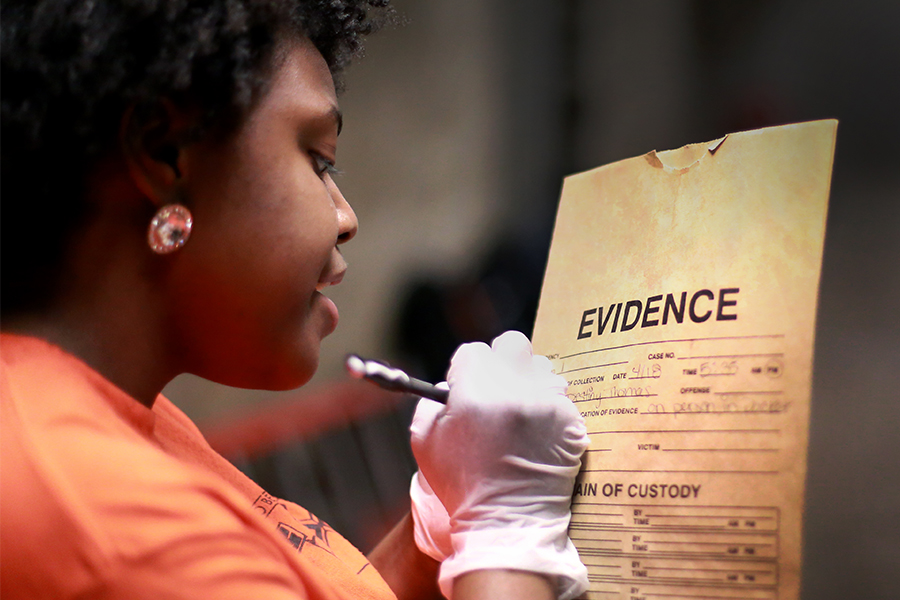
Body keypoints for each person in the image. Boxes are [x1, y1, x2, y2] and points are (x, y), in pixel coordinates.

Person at [0, 2, 590, 599]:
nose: (346, 217)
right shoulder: (115, 526)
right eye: (318, 160)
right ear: (164, 152)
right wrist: (505, 534)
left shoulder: (116, 414)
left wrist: (444, 525)